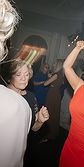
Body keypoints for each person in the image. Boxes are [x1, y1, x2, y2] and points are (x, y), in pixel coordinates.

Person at [0, 0, 32, 167]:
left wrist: (40, 121)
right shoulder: (5, 98)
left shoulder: (30, 100)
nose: (23, 78)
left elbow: (30, 132)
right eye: (19, 74)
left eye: (27, 75)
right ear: (10, 76)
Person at [42, 59, 64, 142]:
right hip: (56, 94)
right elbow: (60, 83)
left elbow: (45, 84)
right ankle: (54, 132)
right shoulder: (61, 74)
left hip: (52, 94)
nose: (53, 64)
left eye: (55, 63)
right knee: (55, 113)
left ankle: (51, 133)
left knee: (50, 113)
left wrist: (49, 79)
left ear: (58, 65)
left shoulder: (56, 74)